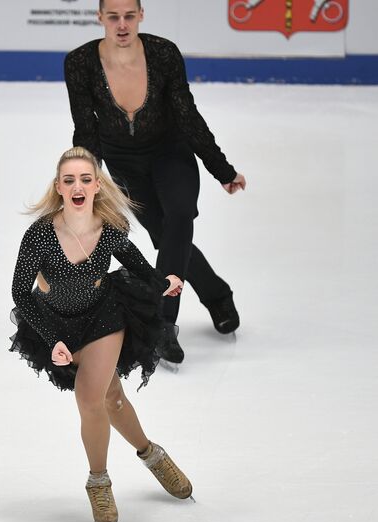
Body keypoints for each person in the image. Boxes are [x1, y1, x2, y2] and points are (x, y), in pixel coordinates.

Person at [9, 146, 193, 522]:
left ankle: (99, 482)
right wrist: (52, 337)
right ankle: (152, 454)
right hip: (55, 323)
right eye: (69, 180)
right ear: (59, 187)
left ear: (96, 186)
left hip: (105, 316)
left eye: (86, 179)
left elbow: (140, 266)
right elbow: (21, 293)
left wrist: (165, 283)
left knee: (89, 397)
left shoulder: (111, 231)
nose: (78, 186)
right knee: (112, 397)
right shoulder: (40, 235)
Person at [64, 0, 247, 364]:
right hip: (124, 162)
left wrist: (221, 169)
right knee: (166, 237)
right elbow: (86, 129)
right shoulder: (80, 63)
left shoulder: (163, 53)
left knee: (180, 217)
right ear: (99, 17)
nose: (121, 24)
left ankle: (163, 323)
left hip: (171, 152)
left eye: (129, 16)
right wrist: (83, 184)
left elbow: (187, 114)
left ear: (141, 16)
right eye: (113, 16)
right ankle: (216, 293)